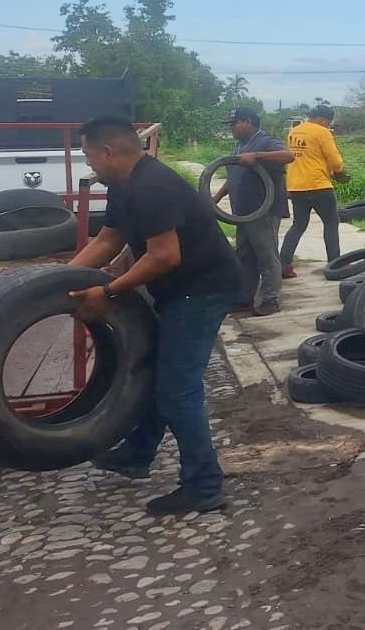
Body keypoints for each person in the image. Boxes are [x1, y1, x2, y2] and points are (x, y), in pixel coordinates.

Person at [68, 115, 240, 515]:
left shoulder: (153, 186)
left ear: (108, 151)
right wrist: (57, 283)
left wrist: (108, 290)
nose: (88, 163)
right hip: (179, 288)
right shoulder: (122, 184)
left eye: (88, 155)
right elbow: (109, 239)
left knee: (178, 390)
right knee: (154, 370)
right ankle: (138, 453)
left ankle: (204, 486)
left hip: (204, 290)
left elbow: (164, 256)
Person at [210, 107, 293, 317]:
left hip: (263, 212)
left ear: (247, 121)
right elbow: (233, 178)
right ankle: (245, 299)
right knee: (245, 256)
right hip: (243, 213)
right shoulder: (239, 147)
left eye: (234, 124)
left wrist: (256, 156)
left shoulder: (264, 141)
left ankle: (270, 300)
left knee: (266, 256)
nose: (231, 128)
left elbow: (288, 155)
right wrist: (215, 199)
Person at [279, 103, 348, 274]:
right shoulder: (322, 132)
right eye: (328, 122)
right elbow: (335, 160)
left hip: (296, 186)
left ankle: (283, 265)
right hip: (319, 185)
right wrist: (340, 172)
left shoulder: (294, 131)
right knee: (331, 223)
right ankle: (335, 264)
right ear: (323, 119)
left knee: (298, 225)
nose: (329, 125)